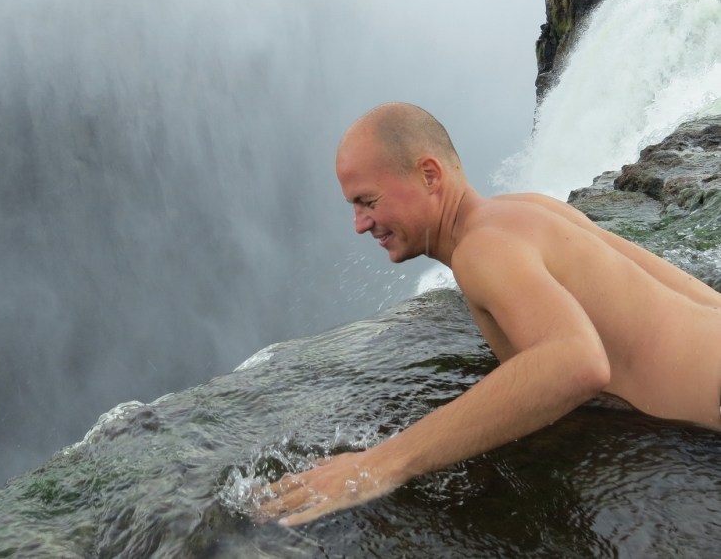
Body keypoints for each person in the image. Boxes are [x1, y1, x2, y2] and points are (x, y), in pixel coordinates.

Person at [260, 101, 721, 526]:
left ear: (429, 175)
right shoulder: (527, 209)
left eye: (368, 201)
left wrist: (378, 464)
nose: (360, 224)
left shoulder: (481, 250)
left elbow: (578, 362)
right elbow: (689, 292)